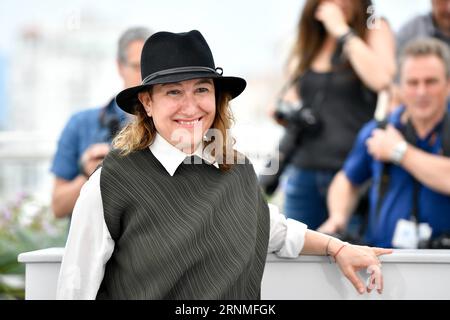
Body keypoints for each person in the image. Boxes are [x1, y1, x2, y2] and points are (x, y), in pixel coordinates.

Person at [56, 30, 391, 299]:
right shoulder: (112, 182)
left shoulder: (237, 170)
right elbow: (75, 286)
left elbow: (272, 228)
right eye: (173, 92)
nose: (191, 107)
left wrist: (338, 247)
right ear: (147, 102)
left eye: (201, 90)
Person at [268, 0, 396, 231]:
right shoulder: (312, 40)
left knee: (351, 255)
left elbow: (383, 80)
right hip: (303, 172)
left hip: (350, 176)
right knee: (294, 256)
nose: (341, 3)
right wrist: (285, 111)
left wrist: (342, 32)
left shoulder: (374, 28)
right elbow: (296, 95)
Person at [318, 38, 450, 249]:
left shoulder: (388, 140)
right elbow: (346, 180)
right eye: (412, 82)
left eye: (431, 82)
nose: (421, 92)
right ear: (399, 86)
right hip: (384, 260)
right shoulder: (378, 130)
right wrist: (338, 217)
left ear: (448, 84)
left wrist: (399, 151)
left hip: (443, 263)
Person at [50, 27, 152, 218]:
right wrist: (90, 174)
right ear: (120, 67)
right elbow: (58, 207)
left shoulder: (171, 128)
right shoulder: (80, 124)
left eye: (152, 67)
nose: (146, 76)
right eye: (137, 66)